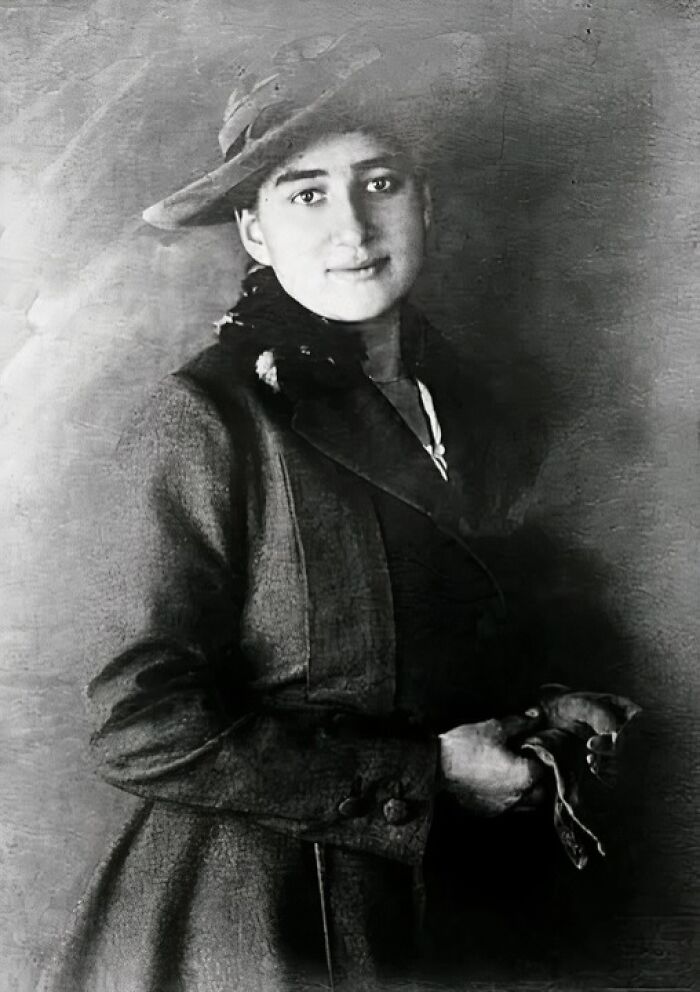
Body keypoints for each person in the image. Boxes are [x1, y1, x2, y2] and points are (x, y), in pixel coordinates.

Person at [40, 32, 639, 992]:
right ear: (253, 233)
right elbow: (135, 720)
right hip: (267, 918)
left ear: (425, 202)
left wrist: (544, 709)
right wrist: (427, 778)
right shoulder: (207, 418)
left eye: (380, 183)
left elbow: (427, 640)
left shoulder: (482, 408)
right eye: (305, 193)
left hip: (461, 911)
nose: (352, 229)